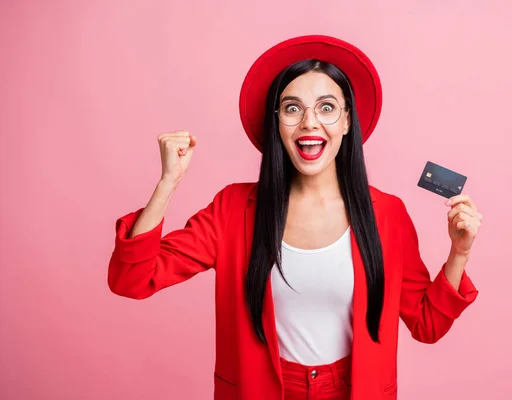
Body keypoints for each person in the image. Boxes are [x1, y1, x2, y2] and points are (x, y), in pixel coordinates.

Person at [108, 35, 483, 400]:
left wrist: (459, 253)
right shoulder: (233, 208)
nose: (309, 123)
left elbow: (427, 324)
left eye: (326, 107)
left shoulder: (387, 214)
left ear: (347, 121)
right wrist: (167, 183)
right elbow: (133, 279)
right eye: (292, 108)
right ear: (277, 123)